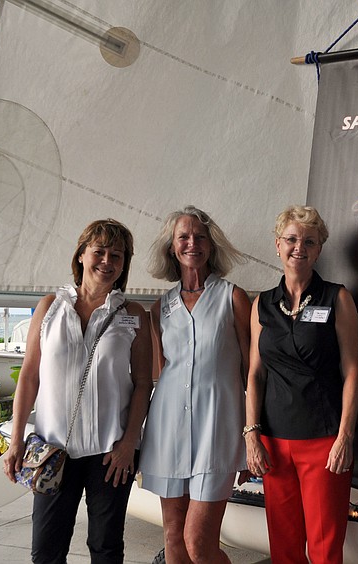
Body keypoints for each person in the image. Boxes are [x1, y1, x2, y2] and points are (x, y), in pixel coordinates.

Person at [2, 218, 152, 564]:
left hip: (111, 453)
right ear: (82, 255)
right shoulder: (50, 307)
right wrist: (16, 442)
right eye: (99, 251)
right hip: (54, 452)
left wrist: (129, 443)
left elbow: (143, 382)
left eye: (117, 255)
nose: (107, 261)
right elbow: (29, 375)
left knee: (106, 547)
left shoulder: (132, 314)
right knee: (46, 550)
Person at [245, 205, 358, 563]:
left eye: (309, 241)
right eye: (292, 240)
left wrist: (344, 437)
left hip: (323, 443)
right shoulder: (263, 304)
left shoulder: (337, 298)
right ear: (278, 245)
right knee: (284, 549)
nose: (300, 248)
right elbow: (255, 373)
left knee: (325, 549)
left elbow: (353, 370)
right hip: (274, 444)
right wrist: (252, 434)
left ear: (319, 249)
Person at [139, 206, 252, 563]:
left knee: (198, 542)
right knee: (173, 538)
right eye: (183, 237)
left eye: (200, 236)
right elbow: (160, 373)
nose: (192, 243)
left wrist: (252, 434)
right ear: (172, 247)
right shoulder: (160, 308)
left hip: (216, 430)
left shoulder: (233, 297)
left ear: (212, 244)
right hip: (167, 429)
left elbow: (253, 371)